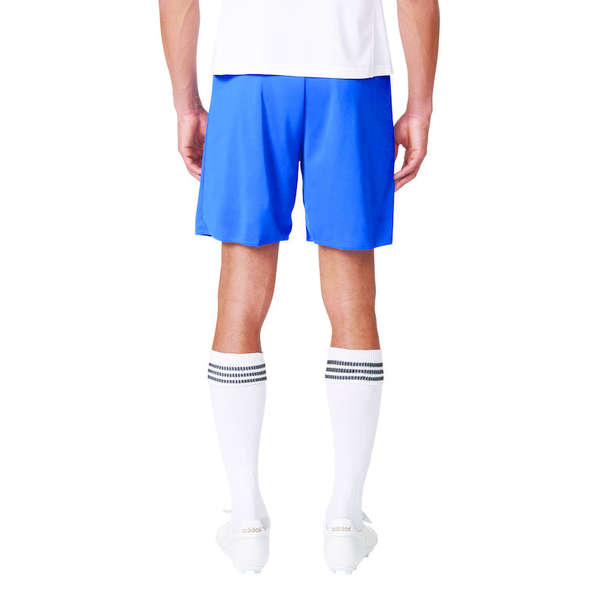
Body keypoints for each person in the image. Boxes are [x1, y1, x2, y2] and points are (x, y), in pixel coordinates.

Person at [159, 0, 439, 574]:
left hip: (250, 74)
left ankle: (246, 520)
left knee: (239, 296)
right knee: (352, 296)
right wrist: (421, 103)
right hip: (350, 72)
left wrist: (185, 101)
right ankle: (345, 522)